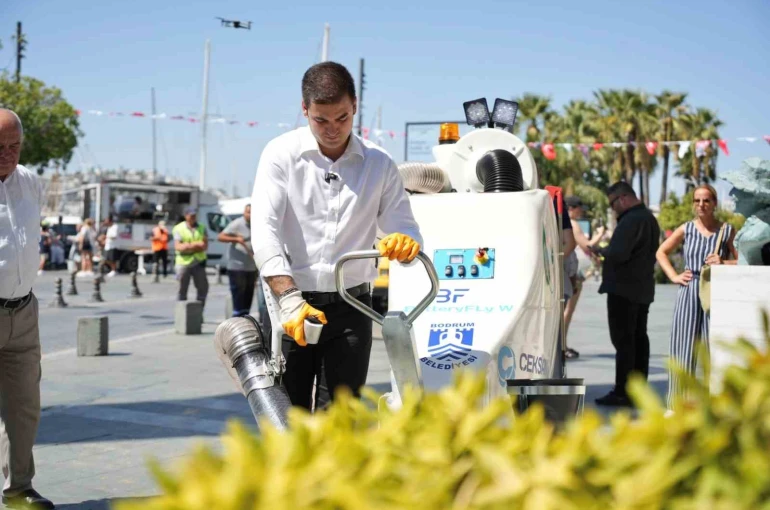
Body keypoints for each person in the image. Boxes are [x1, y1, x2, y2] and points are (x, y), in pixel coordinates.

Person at [251, 61, 422, 412]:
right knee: (287, 420)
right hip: (290, 305)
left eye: (342, 118)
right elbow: (263, 230)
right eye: (321, 120)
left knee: (340, 420)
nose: (332, 129)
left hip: (352, 308)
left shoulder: (379, 163)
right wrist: (289, 299)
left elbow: (405, 226)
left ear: (355, 106)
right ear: (305, 110)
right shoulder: (280, 154)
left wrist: (405, 241)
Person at [0, 109, 55, 509]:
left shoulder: (31, 182)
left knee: (24, 408)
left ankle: (19, 489)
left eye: (14, 146)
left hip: (24, 312)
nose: (7, 154)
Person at [656, 184, 737, 409]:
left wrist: (724, 262)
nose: (701, 205)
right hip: (690, 289)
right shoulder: (687, 228)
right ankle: (677, 406)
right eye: (697, 201)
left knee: (715, 348)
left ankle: (717, 407)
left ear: (714, 204)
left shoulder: (727, 231)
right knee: (682, 347)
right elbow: (661, 252)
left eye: (706, 200)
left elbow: (744, 261)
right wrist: (674, 275)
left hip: (715, 291)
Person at [590, 182, 660, 407]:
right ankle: (637, 390)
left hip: (624, 289)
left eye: (612, 204)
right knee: (639, 340)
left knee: (624, 341)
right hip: (641, 288)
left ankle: (623, 391)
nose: (613, 209)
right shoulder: (648, 218)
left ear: (622, 199)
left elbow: (619, 253)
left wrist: (602, 251)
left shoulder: (631, 220)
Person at [563, 196, 604, 359]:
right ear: (572, 208)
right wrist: (600, 234)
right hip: (574, 272)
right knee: (568, 309)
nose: (582, 211)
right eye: (579, 208)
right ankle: (562, 346)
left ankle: (561, 344)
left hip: (568, 269)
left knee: (566, 308)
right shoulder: (572, 224)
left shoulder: (560, 222)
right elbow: (587, 246)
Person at [218, 204, 266, 319]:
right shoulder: (237, 224)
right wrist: (236, 239)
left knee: (248, 294)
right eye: (248, 212)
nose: (250, 215)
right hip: (237, 267)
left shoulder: (257, 225)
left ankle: (245, 318)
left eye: (252, 213)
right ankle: (237, 319)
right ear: (244, 213)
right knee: (239, 295)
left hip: (251, 267)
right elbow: (221, 237)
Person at [172, 207, 209, 311]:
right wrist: (195, 245)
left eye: (194, 215)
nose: (193, 217)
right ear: (186, 216)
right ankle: (181, 315)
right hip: (183, 263)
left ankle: (198, 314)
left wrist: (188, 246)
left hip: (198, 262)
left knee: (203, 289)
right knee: (181, 290)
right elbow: (179, 247)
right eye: (191, 215)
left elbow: (204, 245)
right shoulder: (179, 228)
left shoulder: (202, 227)